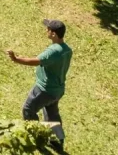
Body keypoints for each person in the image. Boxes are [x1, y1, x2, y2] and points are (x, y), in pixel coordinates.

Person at [8, 19, 72, 151]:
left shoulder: (54, 51)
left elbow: (36, 61)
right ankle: (57, 140)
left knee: (28, 110)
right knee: (52, 115)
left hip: (44, 89)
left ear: (54, 34)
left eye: (48, 29)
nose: (46, 31)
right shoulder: (67, 50)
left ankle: (36, 136)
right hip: (57, 90)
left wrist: (16, 59)